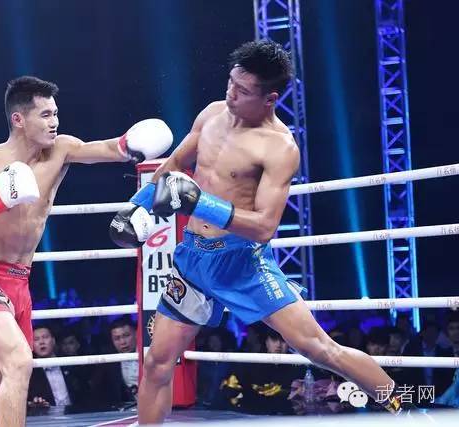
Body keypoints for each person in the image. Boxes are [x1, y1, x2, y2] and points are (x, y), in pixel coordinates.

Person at [109, 40, 404, 424]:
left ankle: (410, 409)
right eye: (231, 82)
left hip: (242, 263)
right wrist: (136, 207)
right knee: (157, 361)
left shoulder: (279, 147)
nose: (231, 94)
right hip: (193, 260)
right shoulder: (212, 114)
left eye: (243, 90)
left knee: (320, 349)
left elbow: (264, 226)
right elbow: (175, 165)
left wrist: (198, 202)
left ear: (270, 99)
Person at [0, 75, 172, 427]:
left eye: (55, 113)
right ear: (19, 119)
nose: (54, 122)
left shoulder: (60, 150)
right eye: (45, 115)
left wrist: (129, 144)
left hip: (20, 283)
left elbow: (109, 149)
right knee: (19, 362)